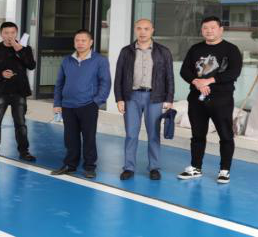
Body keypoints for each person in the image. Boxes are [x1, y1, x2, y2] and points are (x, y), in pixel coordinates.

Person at [178, 16, 242, 184]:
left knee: (225, 135)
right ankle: (196, 167)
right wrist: (197, 82)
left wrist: (209, 80)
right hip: (197, 99)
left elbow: (234, 72)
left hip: (221, 100)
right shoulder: (195, 49)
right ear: (201, 30)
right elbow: (184, 71)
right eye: (205, 28)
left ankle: (224, 170)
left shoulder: (231, 49)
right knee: (197, 135)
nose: (209, 31)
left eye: (213, 27)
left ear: (221, 29)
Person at [114, 19, 174, 181]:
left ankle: (154, 167)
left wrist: (169, 98)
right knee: (131, 134)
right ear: (135, 30)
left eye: (146, 29)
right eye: (139, 28)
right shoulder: (126, 51)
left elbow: (169, 76)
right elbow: (119, 76)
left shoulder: (163, 52)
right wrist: (119, 98)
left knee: (153, 134)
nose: (142, 32)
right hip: (131, 97)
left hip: (155, 97)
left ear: (152, 30)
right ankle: (128, 168)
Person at [51, 30, 111, 179]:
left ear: (90, 43)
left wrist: (97, 102)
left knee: (89, 137)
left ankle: (90, 167)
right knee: (70, 138)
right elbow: (59, 83)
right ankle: (70, 165)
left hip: (88, 105)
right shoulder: (67, 60)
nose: (80, 43)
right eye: (77, 40)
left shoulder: (100, 60)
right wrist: (57, 103)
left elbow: (105, 82)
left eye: (84, 40)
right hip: (68, 105)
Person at [0, 21, 36, 162]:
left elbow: (31, 66)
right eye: (6, 33)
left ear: (16, 33)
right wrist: (0, 74)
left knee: (21, 124)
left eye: (12, 33)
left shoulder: (25, 48)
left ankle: (24, 151)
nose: (10, 36)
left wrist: (19, 50)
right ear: (1, 34)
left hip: (19, 91)